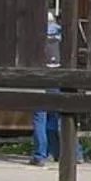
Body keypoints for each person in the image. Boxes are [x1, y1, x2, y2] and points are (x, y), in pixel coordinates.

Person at [30, 14, 62, 165]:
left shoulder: (36, 34)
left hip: (42, 78)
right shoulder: (60, 34)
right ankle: (57, 152)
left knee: (39, 118)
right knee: (55, 118)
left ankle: (40, 154)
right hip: (57, 77)